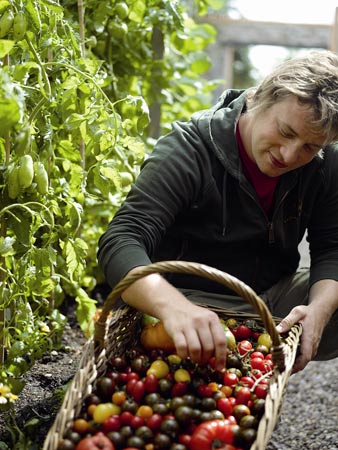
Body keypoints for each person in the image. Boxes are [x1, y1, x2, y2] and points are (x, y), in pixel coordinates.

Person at [98, 50, 338, 374]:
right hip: (188, 299)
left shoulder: (324, 165)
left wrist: (319, 311)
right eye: (285, 131)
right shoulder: (189, 150)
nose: (290, 154)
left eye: (310, 147)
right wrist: (173, 307)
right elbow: (123, 238)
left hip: (268, 302)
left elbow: (331, 248)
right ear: (257, 99)